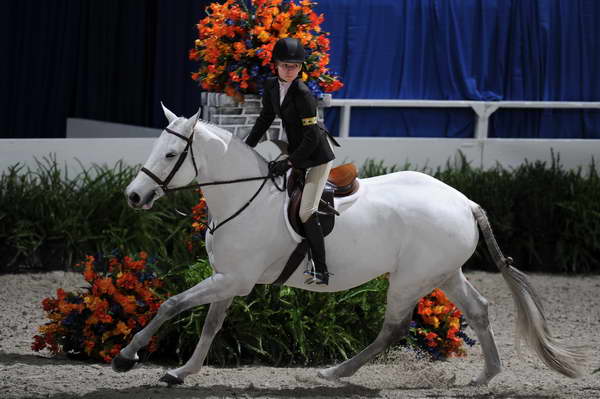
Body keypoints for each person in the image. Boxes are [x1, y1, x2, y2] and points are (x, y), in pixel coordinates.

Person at [245, 37, 340, 285]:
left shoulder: (303, 93)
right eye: (286, 65)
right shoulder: (271, 86)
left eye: (295, 66)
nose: (290, 70)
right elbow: (265, 118)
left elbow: (311, 137)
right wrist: (246, 147)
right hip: (297, 152)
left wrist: (289, 163)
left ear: (300, 68)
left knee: (306, 211)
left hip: (317, 156)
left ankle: (321, 269)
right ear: (275, 65)